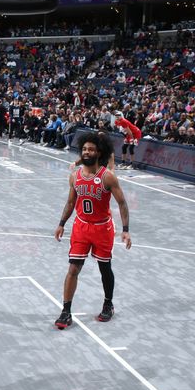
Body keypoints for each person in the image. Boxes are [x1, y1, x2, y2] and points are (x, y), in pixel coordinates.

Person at [54, 132, 131, 329]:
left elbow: (122, 203)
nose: (87, 152)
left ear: (99, 153)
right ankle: (66, 311)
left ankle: (108, 303)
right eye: (85, 149)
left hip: (102, 228)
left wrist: (126, 230)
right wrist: (62, 223)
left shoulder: (108, 177)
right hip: (81, 227)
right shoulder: (75, 176)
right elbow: (71, 202)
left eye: (91, 149)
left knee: (104, 267)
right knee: (73, 268)